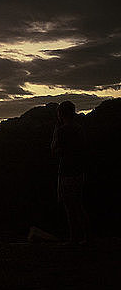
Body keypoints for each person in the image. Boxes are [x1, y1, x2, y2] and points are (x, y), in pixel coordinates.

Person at [51, 101, 89, 245]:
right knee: (78, 204)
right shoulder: (79, 129)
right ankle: (85, 236)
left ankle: (75, 238)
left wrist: (56, 131)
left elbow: (54, 150)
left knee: (70, 206)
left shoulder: (62, 130)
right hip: (79, 170)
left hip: (67, 171)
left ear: (60, 114)